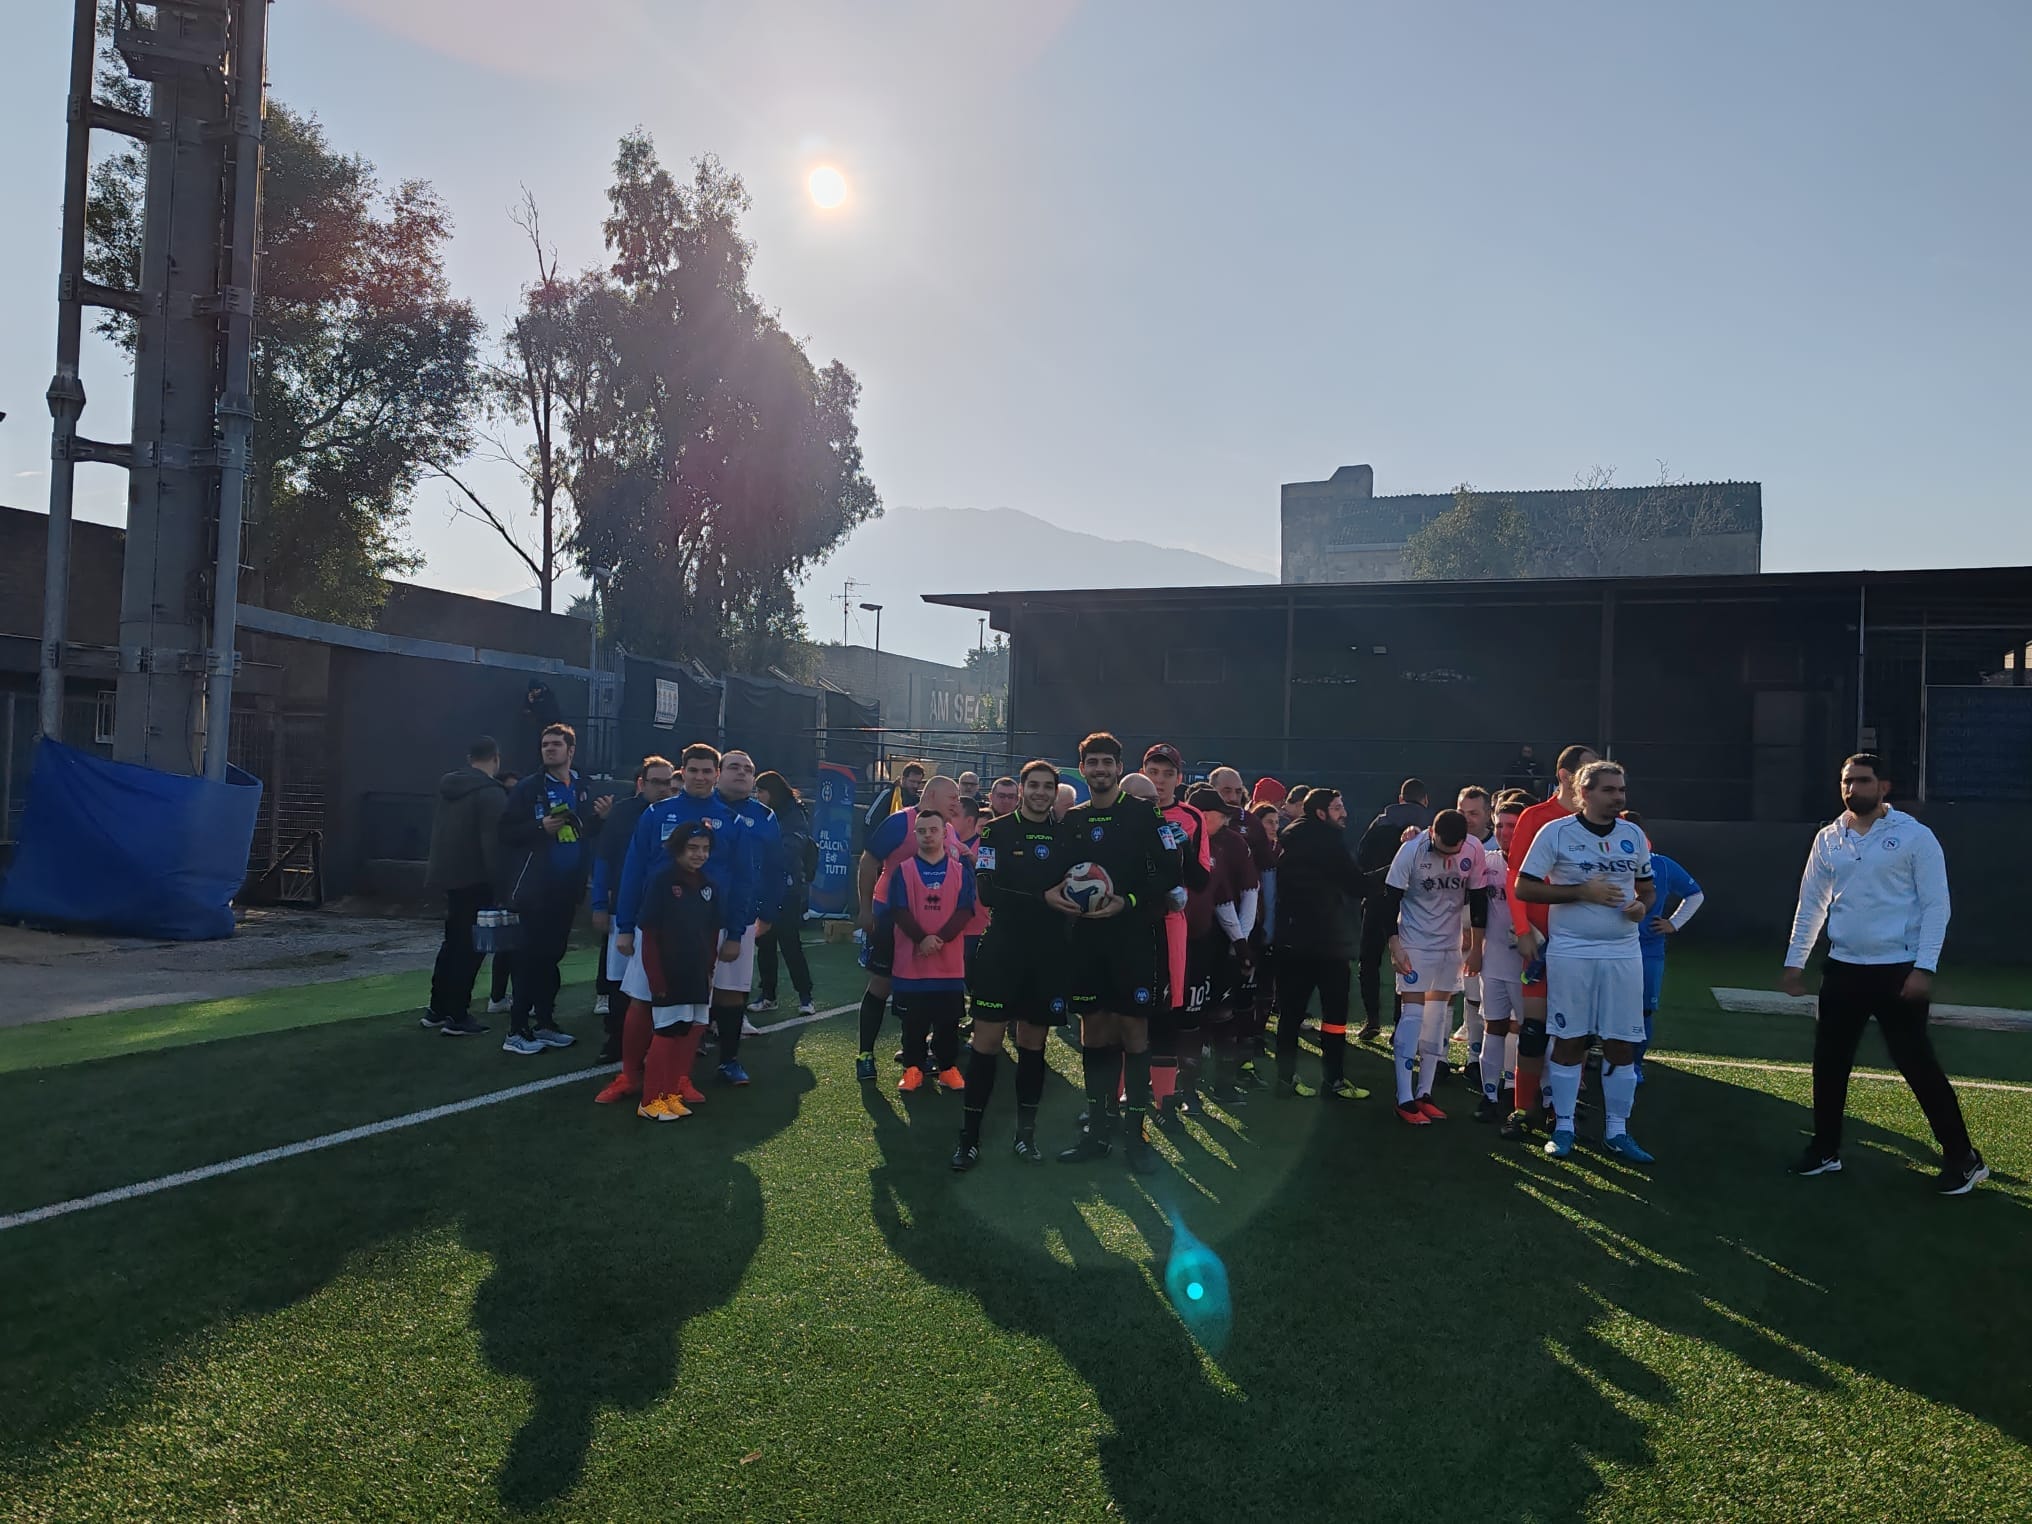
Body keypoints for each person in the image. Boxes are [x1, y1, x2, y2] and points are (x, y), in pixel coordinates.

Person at [1782, 754, 1984, 1194]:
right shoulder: (1828, 838)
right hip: (1843, 968)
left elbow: (1937, 906)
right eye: (1846, 781)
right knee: (1829, 1064)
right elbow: (1812, 903)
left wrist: (1924, 966)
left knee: (1916, 1064)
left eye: (1862, 780)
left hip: (1898, 969)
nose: (1852, 789)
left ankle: (1964, 1158)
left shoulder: (1915, 836)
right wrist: (1795, 961)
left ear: (1884, 787)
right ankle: (1825, 1150)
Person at [1515, 761, 1655, 1162]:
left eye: (1621, 790)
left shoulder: (1632, 834)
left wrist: (1642, 907)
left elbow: (1646, 889)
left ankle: (1617, 1131)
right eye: (1609, 790)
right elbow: (1525, 887)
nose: (1618, 798)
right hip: (1572, 952)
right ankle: (1563, 1127)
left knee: (1622, 1042)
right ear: (1585, 793)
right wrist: (1581, 892)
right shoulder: (1556, 832)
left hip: (1623, 952)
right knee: (1570, 1039)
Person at [1053, 732, 1179, 1173]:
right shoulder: (1073, 820)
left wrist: (1126, 901)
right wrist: (1061, 895)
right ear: (1082, 769)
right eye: (1093, 762)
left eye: (1107, 762)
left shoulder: (1144, 814)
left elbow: (1171, 870)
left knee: (1133, 1030)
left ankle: (1135, 1136)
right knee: (1094, 1030)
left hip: (1134, 938)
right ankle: (1098, 1132)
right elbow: (1057, 873)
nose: (1100, 769)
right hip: (1088, 942)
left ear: (1120, 768)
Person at [603, 744, 753, 1107]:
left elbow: (743, 881)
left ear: (716, 775)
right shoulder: (656, 814)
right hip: (656, 926)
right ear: (681, 773)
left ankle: (680, 1078)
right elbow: (634, 870)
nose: (700, 777)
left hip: (705, 930)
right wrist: (625, 925)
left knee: (696, 1004)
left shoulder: (732, 822)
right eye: (693, 770)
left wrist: (735, 933)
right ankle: (629, 1075)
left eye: (707, 771)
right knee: (642, 1000)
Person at [957, 759, 1076, 1169]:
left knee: (1032, 1045)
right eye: (1034, 785)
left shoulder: (1066, 836)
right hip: (1002, 951)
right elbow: (988, 893)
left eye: (1047, 786)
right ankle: (969, 1138)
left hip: (1048, 955)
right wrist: (1041, 898)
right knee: (986, 1044)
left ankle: (1026, 1136)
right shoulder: (996, 831)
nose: (1040, 792)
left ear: (1054, 792)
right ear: (1022, 789)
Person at [1501, 744, 1598, 1141]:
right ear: (1565, 775)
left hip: (1584, 944)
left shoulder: (1605, 822)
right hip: (1541, 945)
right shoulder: (1536, 817)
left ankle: (1563, 1111)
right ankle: (1524, 1110)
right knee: (1533, 1031)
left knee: (1575, 1033)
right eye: (1589, 769)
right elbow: (1515, 876)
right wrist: (1523, 930)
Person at [497, 724, 607, 1055]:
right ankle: (517, 1030)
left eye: (556, 744)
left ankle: (545, 1022)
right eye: (545, 744)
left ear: (571, 750)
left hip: (567, 886)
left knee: (551, 956)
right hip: (535, 887)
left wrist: (601, 818)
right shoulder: (529, 787)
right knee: (528, 956)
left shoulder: (583, 786)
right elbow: (505, 831)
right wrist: (538, 827)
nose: (549, 749)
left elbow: (584, 831)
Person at [854, 774, 963, 1080]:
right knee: (881, 984)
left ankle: (915, 1054)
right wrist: (865, 908)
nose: (957, 803)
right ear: (932, 795)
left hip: (931, 926)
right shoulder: (900, 822)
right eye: (952, 796)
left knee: (925, 989)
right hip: (891, 918)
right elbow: (868, 861)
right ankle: (865, 1054)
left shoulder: (949, 830)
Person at [1383, 808, 1488, 1124]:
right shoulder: (1411, 850)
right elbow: (1387, 900)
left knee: (1437, 1019)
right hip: (1415, 943)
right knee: (1413, 1016)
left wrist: (1476, 948)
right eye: (1442, 849)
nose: (1448, 856)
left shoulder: (1474, 849)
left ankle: (1424, 1093)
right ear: (1432, 833)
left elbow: (1479, 899)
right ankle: (1403, 1098)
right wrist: (1395, 946)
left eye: (1454, 851)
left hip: (1449, 946)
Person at [1270, 786, 1368, 1099]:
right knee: (1335, 1017)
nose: (1344, 814)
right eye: (1338, 808)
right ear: (1321, 813)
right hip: (1328, 945)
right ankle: (1334, 1080)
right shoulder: (1329, 842)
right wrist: (1395, 873)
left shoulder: (1289, 838)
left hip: (1291, 942)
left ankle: (1285, 1079)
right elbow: (1356, 885)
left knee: (1290, 1015)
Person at [880, 807, 977, 1094]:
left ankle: (947, 1069)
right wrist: (922, 939)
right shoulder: (903, 870)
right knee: (913, 1023)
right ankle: (913, 1069)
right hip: (912, 966)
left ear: (945, 833)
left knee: (948, 1023)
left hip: (948, 967)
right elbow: (898, 909)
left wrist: (938, 939)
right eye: (921, 831)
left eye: (933, 830)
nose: (927, 835)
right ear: (915, 835)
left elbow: (965, 910)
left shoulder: (960, 871)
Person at [1140, 744, 1213, 1116]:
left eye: (1168, 773)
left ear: (1180, 779)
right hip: (1127, 922)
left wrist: (1182, 851)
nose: (1160, 780)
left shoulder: (1191, 817)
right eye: (1154, 771)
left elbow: (1201, 881)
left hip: (1170, 923)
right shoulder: (1124, 811)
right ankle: (1120, 1097)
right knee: (1126, 1013)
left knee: (1167, 1010)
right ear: (1142, 773)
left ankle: (1164, 1100)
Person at [632, 822, 721, 1122]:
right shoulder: (662, 881)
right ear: (678, 848)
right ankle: (650, 1101)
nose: (699, 854)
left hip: (697, 974)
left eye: (705, 849)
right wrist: (656, 977)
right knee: (667, 1034)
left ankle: (670, 1095)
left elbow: (711, 931)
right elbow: (649, 934)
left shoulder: (708, 885)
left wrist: (709, 968)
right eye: (693, 848)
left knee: (689, 1034)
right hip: (670, 973)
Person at [588, 756, 676, 1059]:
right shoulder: (623, 813)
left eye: (668, 782)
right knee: (619, 979)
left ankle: (660, 1039)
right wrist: (599, 904)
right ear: (642, 783)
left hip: (666, 913)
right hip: (624, 910)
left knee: (661, 978)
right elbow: (603, 859)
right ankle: (616, 1040)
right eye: (657, 782)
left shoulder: (678, 813)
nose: (663, 788)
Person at [422, 736, 508, 1037]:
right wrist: (502, 885)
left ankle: (437, 1008)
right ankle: (458, 1014)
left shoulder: (450, 788)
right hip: (477, 878)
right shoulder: (491, 793)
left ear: (470, 758)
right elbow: (493, 844)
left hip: (450, 876)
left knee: (452, 944)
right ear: (496, 758)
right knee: (471, 950)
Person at [709, 749, 782, 1083]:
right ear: (719, 772)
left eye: (748, 769)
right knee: (687, 987)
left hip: (742, 915)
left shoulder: (764, 816)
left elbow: (774, 868)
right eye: (734, 767)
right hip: (693, 914)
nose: (741, 773)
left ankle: (729, 1059)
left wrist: (767, 913)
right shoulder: (701, 807)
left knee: (733, 988)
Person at [1619, 809, 1703, 1077]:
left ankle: (1635, 1065)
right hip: (1611, 947)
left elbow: (1695, 894)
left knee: (1643, 1011)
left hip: (1648, 950)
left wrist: (1673, 923)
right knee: (1605, 1008)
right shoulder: (1606, 863)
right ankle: (1600, 1062)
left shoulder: (1662, 865)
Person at [1352, 779, 1434, 1043]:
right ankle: (1401, 1024)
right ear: (1425, 800)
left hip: (1377, 897)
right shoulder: (1430, 824)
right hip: (1412, 904)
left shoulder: (1380, 822)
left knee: (1369, 960)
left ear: (1400, 798)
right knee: (1408, 962)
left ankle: (1372, 1019)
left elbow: (1362, 856)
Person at [1473, 795, 1529, 1121]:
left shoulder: (1538, 865)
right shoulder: (1487, 861)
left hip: (1528, 965)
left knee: (1528, 1030)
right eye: (1499, 825)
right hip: (1492, 961)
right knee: (1492, 1026)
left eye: (1512, 826)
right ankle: (1490, 1095)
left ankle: (1522, 1094)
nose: (1505, 832)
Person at [753, 771, 817, 1017]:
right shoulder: (761, 813)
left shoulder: (793, 813)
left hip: (788, 888)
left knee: (790, 943)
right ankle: (768, 995)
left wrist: (765, 852)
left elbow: (792, 848)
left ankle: (805, 996)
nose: (758, 796)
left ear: (773, 792)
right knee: (765, 943)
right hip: (764, 886)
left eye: (761, 791)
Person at [1448, 785, 1496, 1078]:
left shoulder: (1497, 844)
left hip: (1487, 936)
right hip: (1450, 933)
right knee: (1445, 996)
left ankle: (1476, 1059)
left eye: (1474, 813)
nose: (1466, 819)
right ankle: (1439, 1059)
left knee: (1479, 1000)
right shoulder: (1445, 840)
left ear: (1488, 814)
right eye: (1461, 812)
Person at [865, 760, 926, 831]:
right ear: (903, 779)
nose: (915, 786)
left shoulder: (917, 801)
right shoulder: (888, 794)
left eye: (918, 783)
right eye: (912, 781)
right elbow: (869, 820)